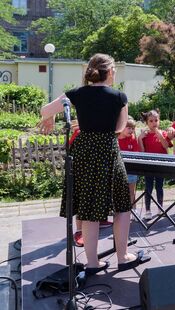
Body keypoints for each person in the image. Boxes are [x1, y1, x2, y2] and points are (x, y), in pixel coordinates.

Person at [39, 53, 149, 275]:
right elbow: (119, 129)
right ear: (108, 72)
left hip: (84, 153)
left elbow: (45, 110)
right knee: (121, 206)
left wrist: (49, 118)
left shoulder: (77, 94)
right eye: (114, 71)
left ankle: (92, 263)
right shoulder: (119, 96)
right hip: (107, 152)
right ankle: (123, 256)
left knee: (89, 209)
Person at [70, 120, 113, 248]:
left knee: (100, 195)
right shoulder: (79, 131)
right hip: (83, 170)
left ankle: (99, 220)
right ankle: (79, 230)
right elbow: (72, 149)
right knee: (83, 200)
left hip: (98, 165)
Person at [138, 110, 172, 219]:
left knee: (159, 186)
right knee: (148, 187)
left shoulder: (163, 133)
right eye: (151, 121)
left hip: (160, 165)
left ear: (159, 121)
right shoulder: (145, 135)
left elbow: (166, 146)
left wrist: (160, 135)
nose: (154, 123)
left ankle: (160, 208)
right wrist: (140, 138)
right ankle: (147, 210)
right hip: (149, 165)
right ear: (147, 123)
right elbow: (142, 152)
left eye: (156, 120)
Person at [118, 116, 139, 210]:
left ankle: (134, 211)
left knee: (131, 192)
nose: (131, 130)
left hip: (131, 170)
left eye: (133, 128)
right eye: (129, 128)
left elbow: (137, 154)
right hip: (118, 171)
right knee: (118, 192)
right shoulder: (116, 140)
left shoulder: (133, 139)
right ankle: (119, 212)